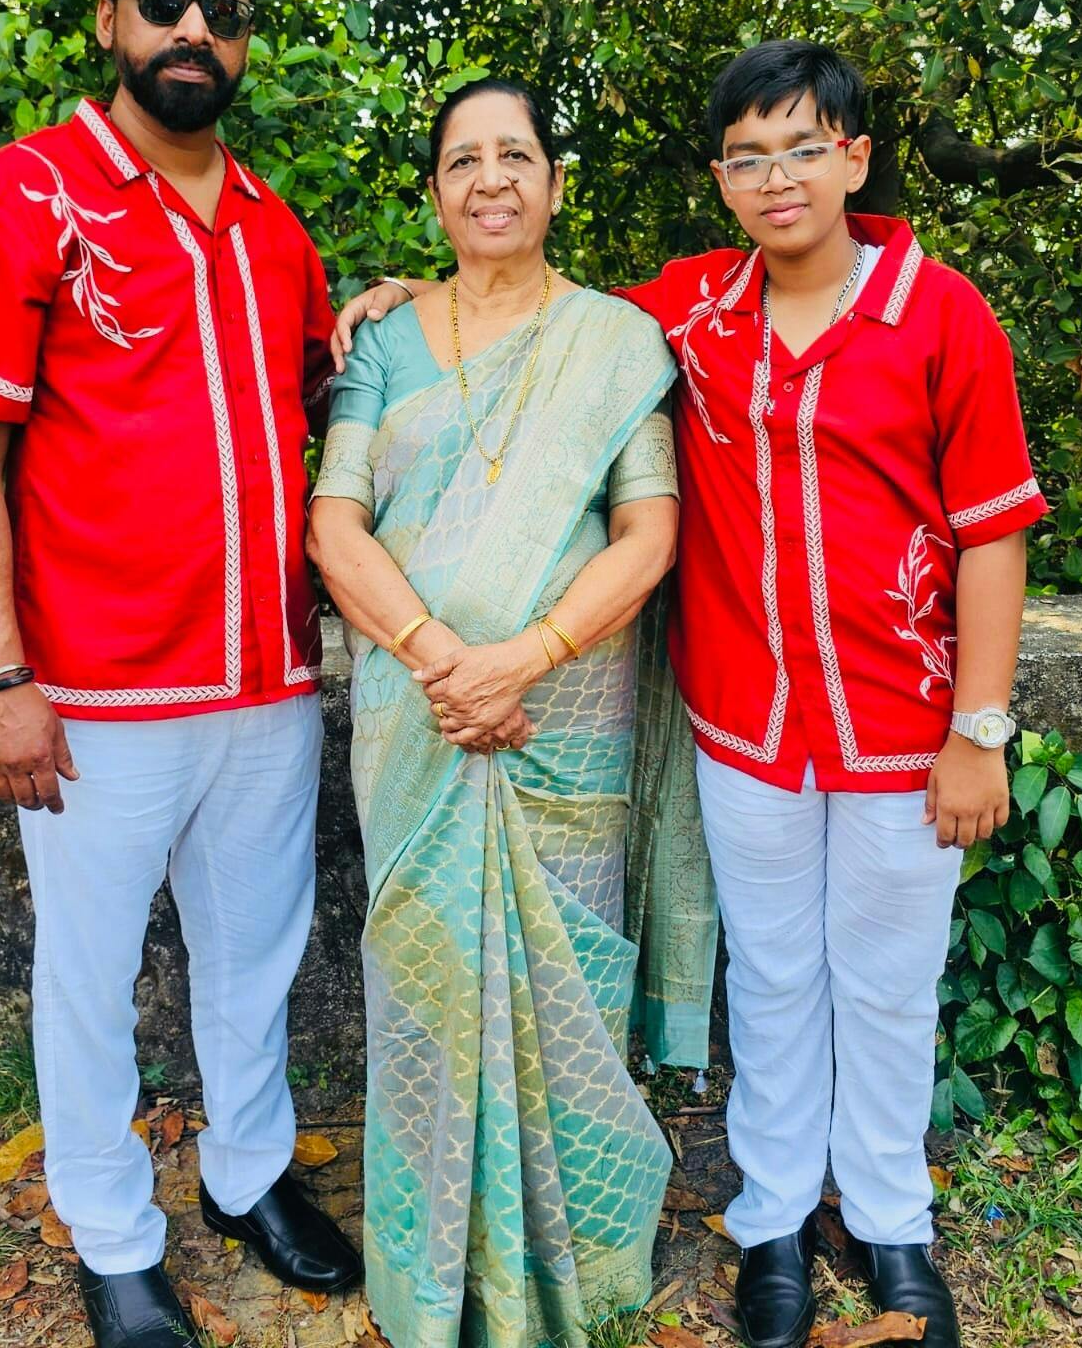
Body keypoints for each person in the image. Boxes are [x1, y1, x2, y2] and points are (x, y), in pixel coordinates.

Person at [332, 42, 1047, 1348]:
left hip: (904, 723)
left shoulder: (941, 315)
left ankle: (890, 1226)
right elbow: (532, 315)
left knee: (889, 984)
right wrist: (418, 293)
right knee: (769, 979)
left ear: (855, 160)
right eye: (749, 157)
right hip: (749, 725)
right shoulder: (695, 310)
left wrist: (979, 732)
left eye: (805, 149)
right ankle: (773, 1220)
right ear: (720, 178)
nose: (779, 179)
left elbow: (993, 531)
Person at [0, 0, 360, 1348]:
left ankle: (247, 1175)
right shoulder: (29, 190)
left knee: (256, 955)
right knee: (91, 974)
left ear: (245, 45)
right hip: (95, 686)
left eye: (222, 14)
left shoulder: (274, 226)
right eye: (164, 3)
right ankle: (112, 1235)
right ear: (111, 18)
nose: (192, 32)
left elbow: (330, 400)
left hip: (267, 677)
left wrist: (404, 314)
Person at [308, 78, 717, 1348]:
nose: (491, 178)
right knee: (426, 983)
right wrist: (445, 660)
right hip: (419, 716)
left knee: (569, 983)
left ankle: (577, 1262)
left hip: (566, 720)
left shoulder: (616, 342)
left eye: (516, 155)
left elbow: (649, 533)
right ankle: (436, 1275)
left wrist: (524, 657)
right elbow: (335, 524)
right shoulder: (383, 342)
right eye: (463, 160)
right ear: (436, 191)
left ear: (553, 181)